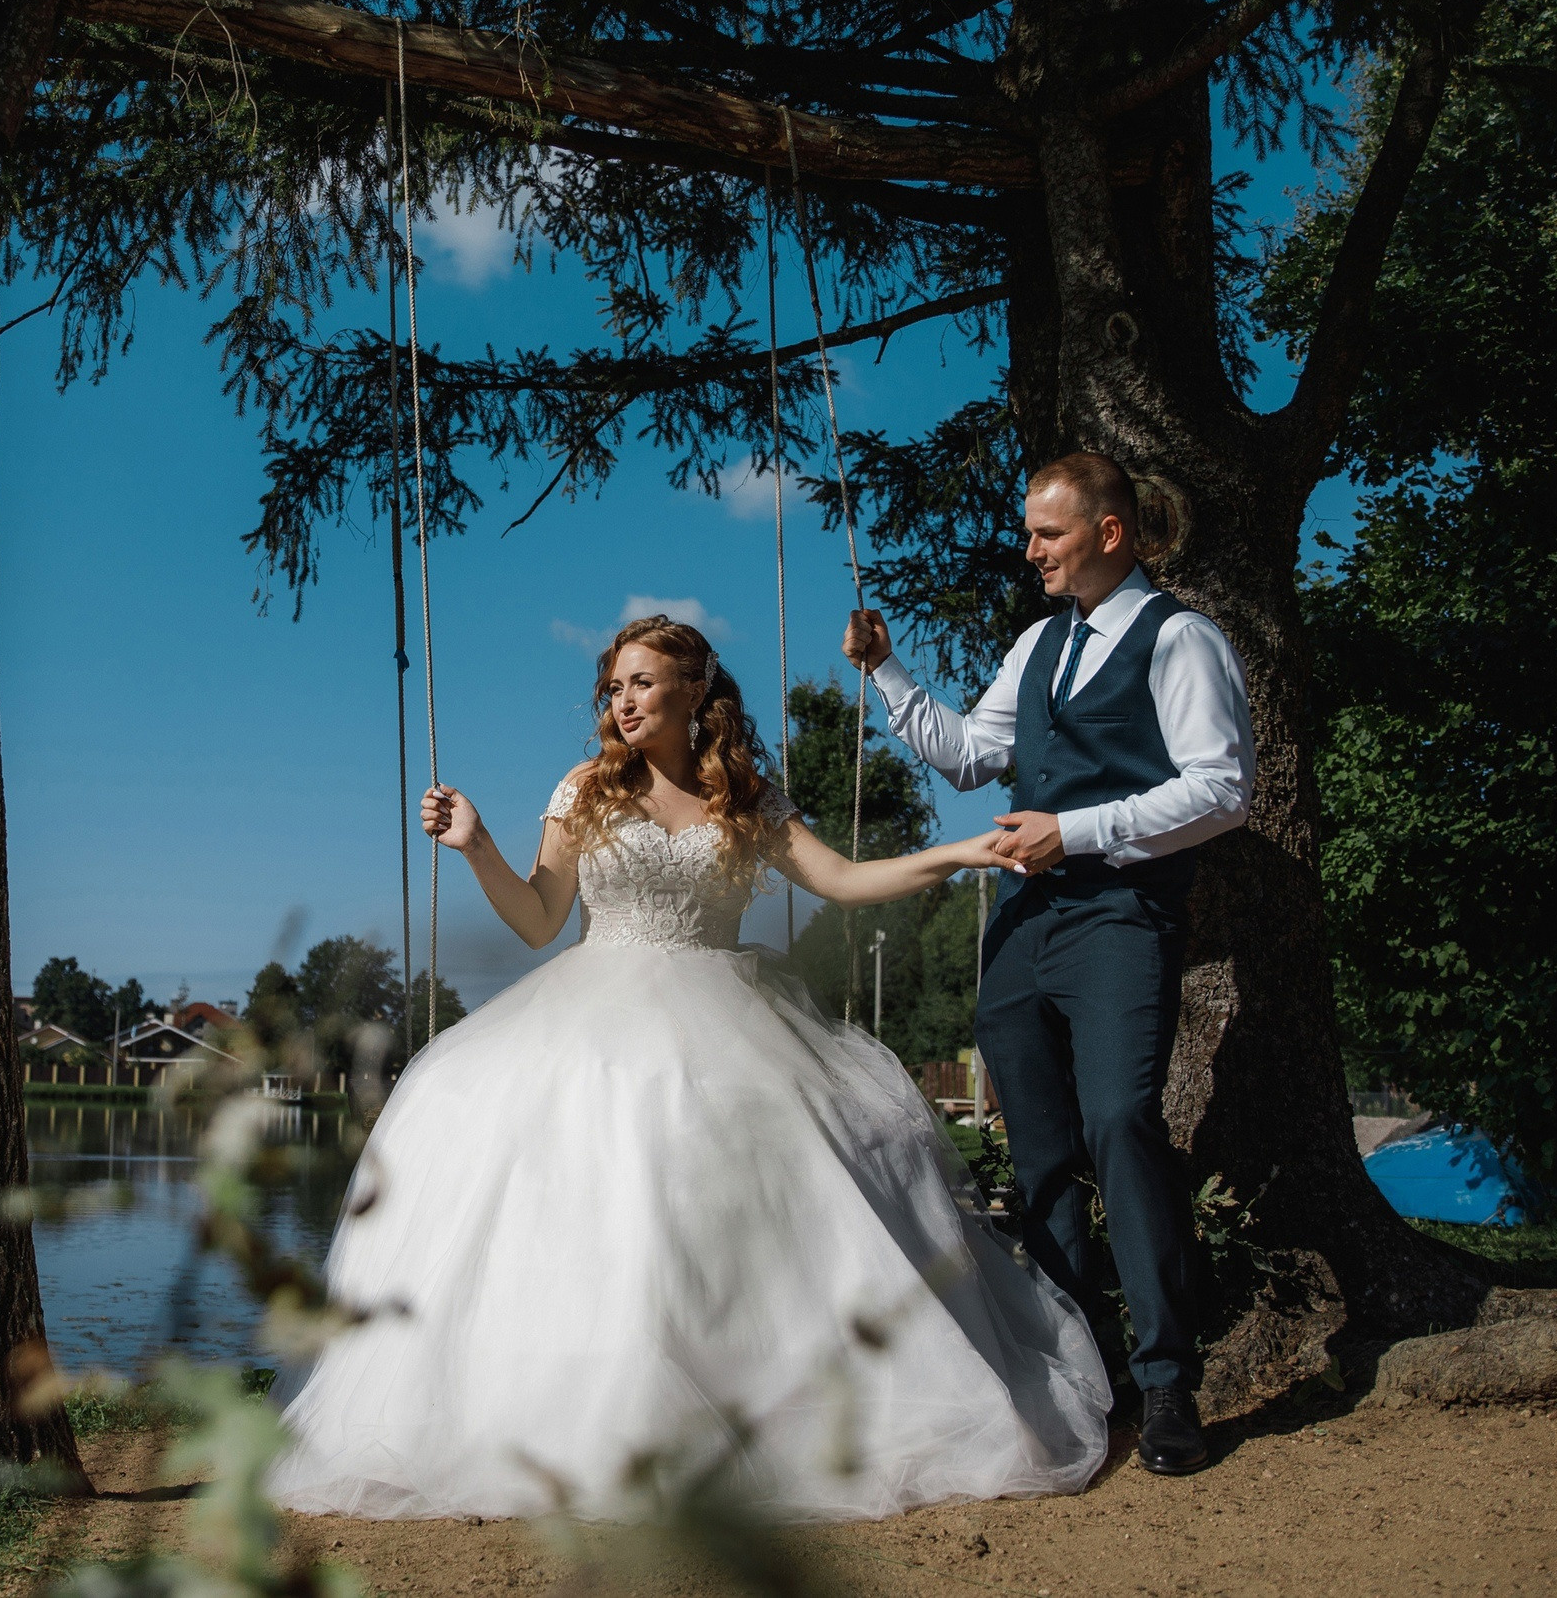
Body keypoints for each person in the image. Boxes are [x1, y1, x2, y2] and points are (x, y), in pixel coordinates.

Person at [265, 615, 1111, 1522]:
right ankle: (580, 1415)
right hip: (592, 1011)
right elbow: (539, 918)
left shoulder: (747, 795)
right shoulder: (586, 789)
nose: (623, 701)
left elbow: (844, 879)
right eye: (615, 686)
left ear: (695, 691)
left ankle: (744, 1407)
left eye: (642, 682)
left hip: (730, 1016)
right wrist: (476, 843)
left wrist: (959, 852)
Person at [843, 451, 1254, 1478]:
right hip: (1021, 926)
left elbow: (1222, 789)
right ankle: (1085, 1373)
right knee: (1040, 1158)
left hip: (1119, 915)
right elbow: (968, 754)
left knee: (1120, 1120)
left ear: (1109, 533)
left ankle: (1167, 1381)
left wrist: (1076, 829)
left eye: (1047, 534)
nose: (1028, 551)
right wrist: (886, 671)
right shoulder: (1034, 644)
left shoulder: (1181, 640)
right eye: (1029, 532)